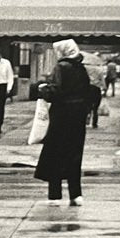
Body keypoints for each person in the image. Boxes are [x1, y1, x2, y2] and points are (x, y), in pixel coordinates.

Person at [34, 39, 91, 207]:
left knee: (55, 153)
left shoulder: (61, 67)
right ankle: (75, 193)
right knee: (74, 154)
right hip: (78, 115)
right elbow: (88, 91)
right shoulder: (81, 68)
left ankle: (55, 193)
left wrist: (43, 89)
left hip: (62, 115)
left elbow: (56, 90)